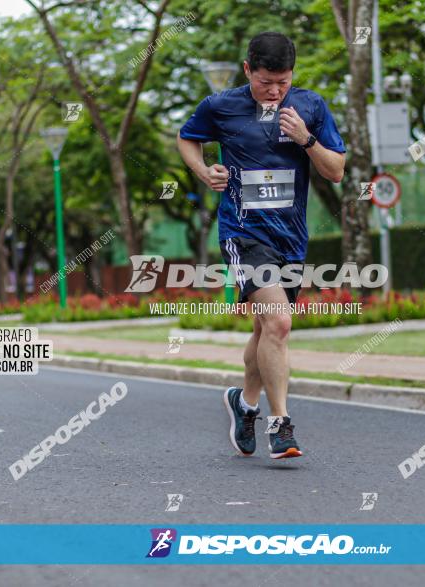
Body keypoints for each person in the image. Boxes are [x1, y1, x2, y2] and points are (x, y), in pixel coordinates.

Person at [177, 32, 346, 459]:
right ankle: (281, 424)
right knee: (280, 325)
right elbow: (187, 138)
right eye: (265, 81)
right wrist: (202, 171)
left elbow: (337, 171)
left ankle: (244, 403)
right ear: (248, 69)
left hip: (290, 238)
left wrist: (307, 139)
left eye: (283, 82)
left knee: (265, 329)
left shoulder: (310, 107)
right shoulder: (221, 106)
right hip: (243, 233)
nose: (274, 91)